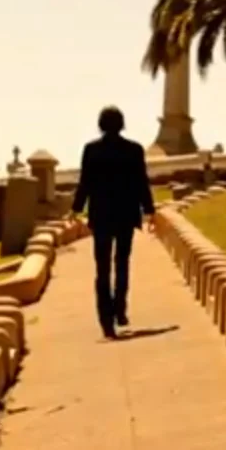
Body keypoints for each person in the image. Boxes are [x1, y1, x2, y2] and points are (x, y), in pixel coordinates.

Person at [69, 105, 156, 340]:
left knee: (102, 267)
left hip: (101, 215)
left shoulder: (91, 150)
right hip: (126, 214)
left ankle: (105, 320)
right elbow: (141, 182)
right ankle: (119, 308)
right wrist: (149, 210)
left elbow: (85, 182)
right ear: (121, 124)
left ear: (100, 124)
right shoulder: (134, 150)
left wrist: (76, 208)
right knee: (122, 263)